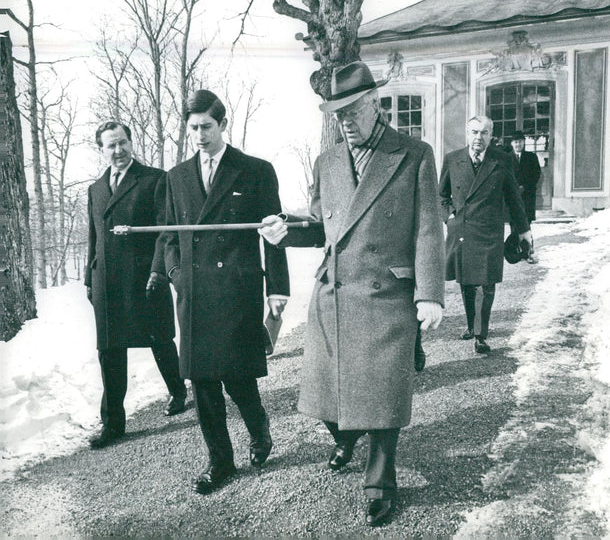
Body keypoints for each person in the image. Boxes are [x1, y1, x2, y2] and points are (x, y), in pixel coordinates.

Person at [259, 61, 444, 527]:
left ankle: (380, 483)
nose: (344, 121)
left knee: (382, 394)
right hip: (334, 294)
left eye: (351, 110)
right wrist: (287, 230)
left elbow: (427, 229)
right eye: (335, 113)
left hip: (386, 296)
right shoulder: (328, 162)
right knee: (325, 390)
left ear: (374, 104)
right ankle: (346, 433)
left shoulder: (413, 154)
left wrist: (430, 294)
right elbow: (324, 226)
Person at [160, 90, 290, 495]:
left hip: (235, 290)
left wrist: (278, 290)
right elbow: (168, 236)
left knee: (237, 379)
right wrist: (176, 273)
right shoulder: (176, 177)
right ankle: (220, 462)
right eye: (193, 128)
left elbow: (275, 235)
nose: (199, 135)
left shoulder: (254, 170)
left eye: (206, 127)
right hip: (194, 293)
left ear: (222, 124)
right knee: (202, 384)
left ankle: (259, 429)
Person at [85, 121, 187, 450]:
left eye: (123, 143)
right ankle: (112, 422)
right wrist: (90, 277)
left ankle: (178, 390)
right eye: (111, 146)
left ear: (131, 142)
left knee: (159, 338)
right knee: (109, 350)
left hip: (145, 278)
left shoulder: (155, 179)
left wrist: (159, 271)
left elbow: (165, 231)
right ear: (102, 149)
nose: (118, 151)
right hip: (107, 283)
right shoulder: (96, 189)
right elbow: (93, 236)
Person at [439, 116, 532, 354]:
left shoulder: (501, 160)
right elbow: (441, 196)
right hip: (461, 229)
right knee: (467, 282)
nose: (478, 138)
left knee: (485, 284)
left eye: (484, 133)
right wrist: (449, 215)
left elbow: (514, 199)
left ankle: (480, 334)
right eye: (474, 132)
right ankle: (472, 325)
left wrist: (523, 231)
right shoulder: (452, 159)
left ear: (491, 135)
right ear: (466, 133)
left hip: (489, 231)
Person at [509, 131, 541, 262]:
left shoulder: (531, 157)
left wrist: (525, 187)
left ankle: (528, 252)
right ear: (512, 144)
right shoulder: (507, 158)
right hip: (511, 197)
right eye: (515, 142)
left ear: (524, 143)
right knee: (513, 224)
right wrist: (514, 189)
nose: (518, 144)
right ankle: (514, 251)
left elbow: (536, 175)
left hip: (527, 196)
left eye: (520, 141)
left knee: (526, 224)